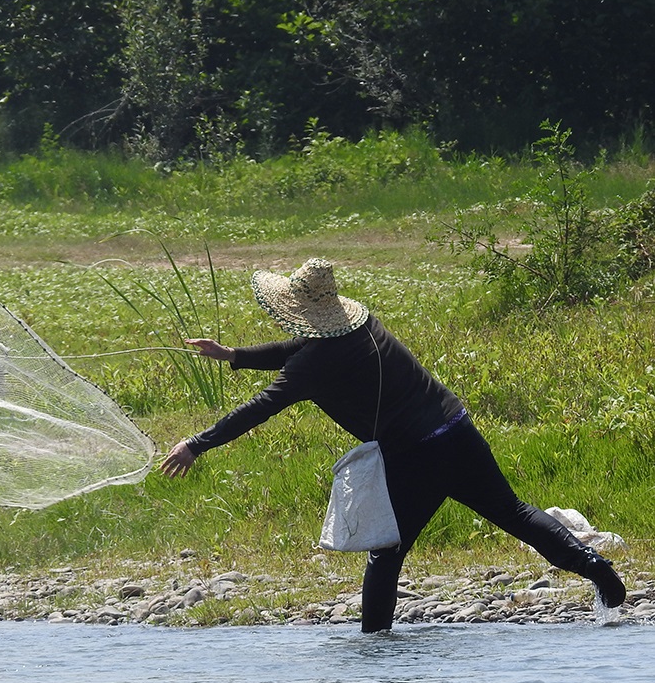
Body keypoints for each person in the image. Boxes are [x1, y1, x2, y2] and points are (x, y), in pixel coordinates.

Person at [159, 258, 626, 632]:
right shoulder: (361, 327)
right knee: (514, 512)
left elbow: (261, 406)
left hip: (415, 455)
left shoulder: (313, 364)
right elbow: (296, 348)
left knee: (385, 552)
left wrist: (196, 445)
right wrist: (233, 355)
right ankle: (597, 571)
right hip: (456, 428)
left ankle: (375, 651)